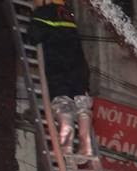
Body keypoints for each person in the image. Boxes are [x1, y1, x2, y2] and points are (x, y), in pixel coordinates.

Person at [27, 0, 93, 157]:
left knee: (63, 105)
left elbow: (34, 36)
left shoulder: (45, 12)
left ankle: (66, 150)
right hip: (79, 69)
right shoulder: (68, 14)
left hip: (58, 67)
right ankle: (86, 146)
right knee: (82, 107)